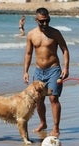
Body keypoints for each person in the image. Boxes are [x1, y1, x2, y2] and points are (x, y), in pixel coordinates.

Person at [23, 7, 70, 137]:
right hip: (38, 71)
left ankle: (56, 128)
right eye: (42, 21)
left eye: (47, 21)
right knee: (38, 100)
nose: (45, 24)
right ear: (36, 20)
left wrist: (66, 67)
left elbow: (65, 50)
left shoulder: (55, 33)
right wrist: (25, 71)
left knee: (53, 98)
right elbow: (28, 53)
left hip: (54, 70)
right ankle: (43, 123)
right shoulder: (31, 34)